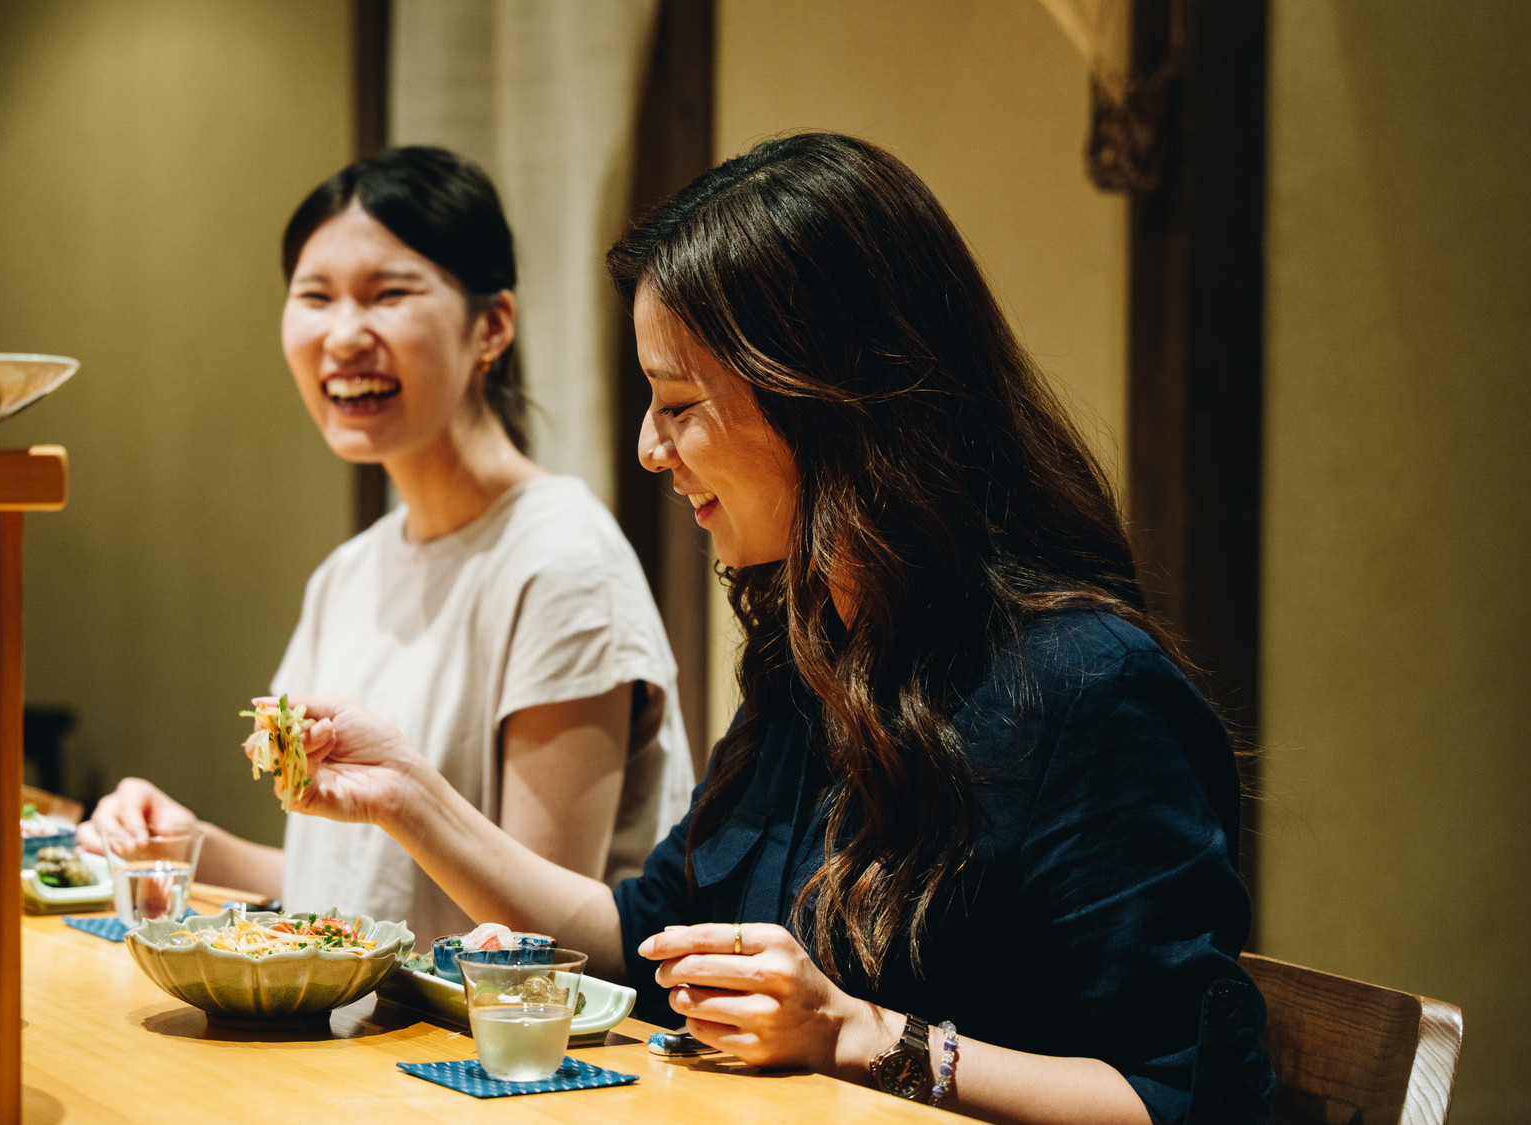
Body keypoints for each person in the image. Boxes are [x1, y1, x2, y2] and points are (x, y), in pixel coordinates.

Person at [272, 133, 1271, 1124]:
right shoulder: (809, 657)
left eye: (677, 405)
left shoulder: (1086, 690)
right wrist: (406, 794)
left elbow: (1186, 1094)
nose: (649, 450)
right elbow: (642, 936)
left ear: (826, 398)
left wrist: (862, 1035)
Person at [83, 146, 695, 945]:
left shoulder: (561, 561)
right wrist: (182, 846)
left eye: (388, 294)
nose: (344, 335)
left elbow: (541, 934)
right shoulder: (349, 573)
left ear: (492, 325)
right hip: (363, 1033)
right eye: (315, 296)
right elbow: (345, 883)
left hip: (487, 1057)